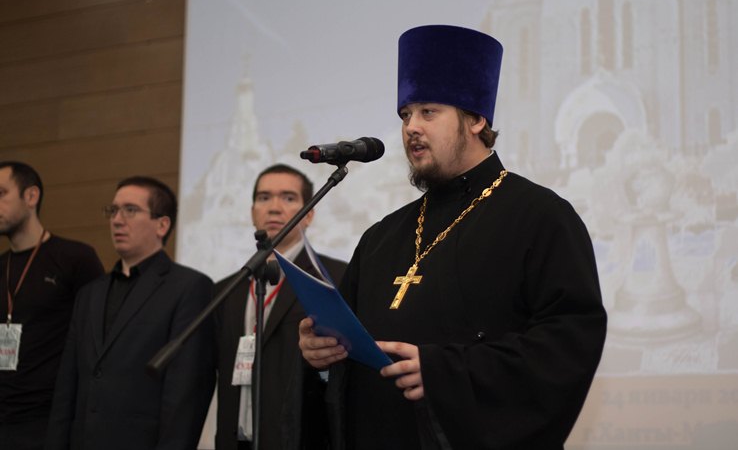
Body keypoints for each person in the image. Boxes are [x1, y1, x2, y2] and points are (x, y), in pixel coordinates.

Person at [298, 25, 608, 449]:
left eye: (428, 112)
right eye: (405, 115)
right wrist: (321, 357)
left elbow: (568, 345)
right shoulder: (380, 237)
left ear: (476, 119)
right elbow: (350, 353)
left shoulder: (541, 217)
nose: (411, 128)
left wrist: (444, 372)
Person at [45, 176, 215, 450]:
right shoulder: (90, 293)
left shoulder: (189, 287)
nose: (117, 220)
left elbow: (186, 393)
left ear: (162, 225)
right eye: (113, 210)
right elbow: (68, 386)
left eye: (130, 210)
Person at [215, 164, 347, 450]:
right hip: (236, 440)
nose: (274, 208)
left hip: (301, 439)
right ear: (252, 212)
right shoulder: (226, 290)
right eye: (264, 198)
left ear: (309, 215)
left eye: (288, 198)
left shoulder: (335, 278)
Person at [0, 162, 104, 450]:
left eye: (1, 193)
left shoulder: (75, 258)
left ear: (31, 196)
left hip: (49, 421)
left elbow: (98, 338)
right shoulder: (2, 265)